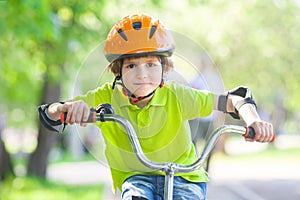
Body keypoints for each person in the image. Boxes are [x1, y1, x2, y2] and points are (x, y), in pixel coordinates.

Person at [38, 14, 274, 200]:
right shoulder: (106, 98)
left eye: (151, 64)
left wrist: (253, 120)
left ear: (165, 68)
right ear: (117, 71)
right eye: (131, 66)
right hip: (136, 177)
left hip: (185, 177)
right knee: (136, 195)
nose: (142, 75)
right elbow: (52, 112)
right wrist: (66, 109)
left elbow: (235, 98)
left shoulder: (178, 96)